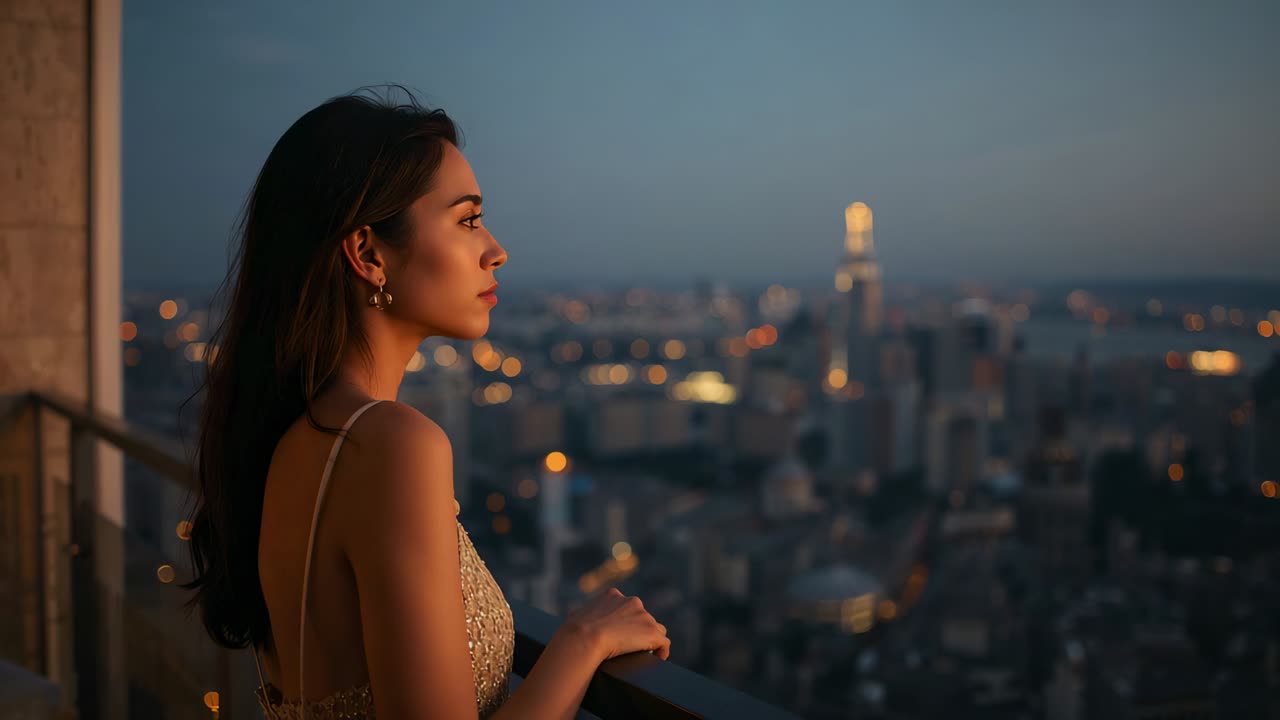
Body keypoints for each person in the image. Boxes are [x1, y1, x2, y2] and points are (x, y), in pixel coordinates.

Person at [181, 86, 671, 719]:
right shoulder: (389, 445)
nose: (496, 249)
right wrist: (581, 640)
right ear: (367, 253)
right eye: (467, 220)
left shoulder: (302, 437)